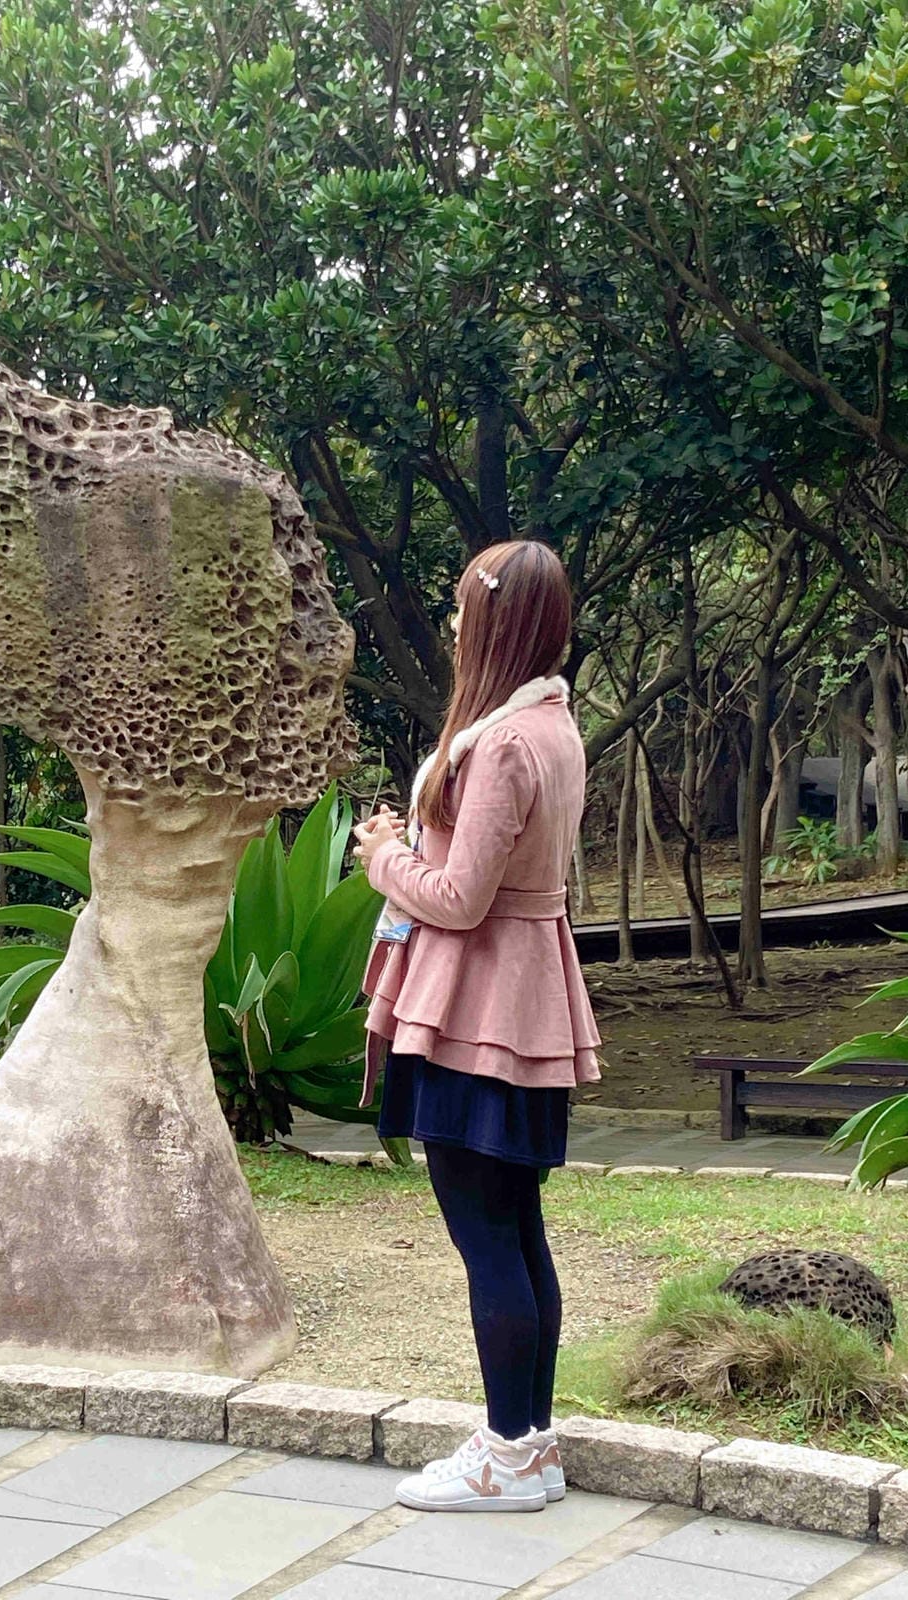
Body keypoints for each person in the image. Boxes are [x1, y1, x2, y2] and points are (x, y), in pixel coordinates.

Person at [351, 540, 601, 1514]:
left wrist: (382, 857)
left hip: (474, 1008)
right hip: (526, 1000)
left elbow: (459, 899)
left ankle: (505, 1457)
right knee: (517, 1228)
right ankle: (528, 1446)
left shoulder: (499, 743)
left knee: (488, 1235)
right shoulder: (553, 725)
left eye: (464, 609)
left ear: (495, 623)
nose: (455, 625)